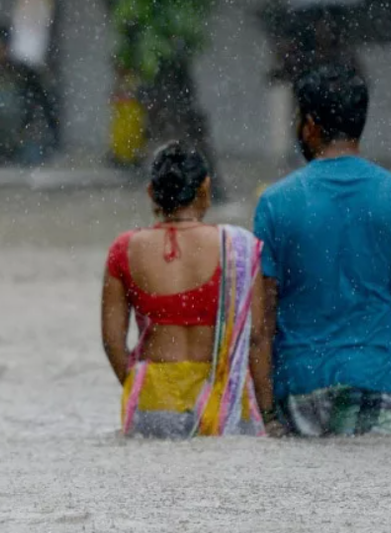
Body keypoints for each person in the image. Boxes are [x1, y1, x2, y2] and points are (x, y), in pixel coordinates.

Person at [254, 63, 391, 436]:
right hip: (377, 389)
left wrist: (268, 419)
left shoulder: (276, 203)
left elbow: (262, 326)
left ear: (309, 125)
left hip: (298, 393)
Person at [101, 142, 269, 438]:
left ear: (151, 192)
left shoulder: (125, 249)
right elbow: (256, 338)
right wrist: (268, 412)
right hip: (222, 399)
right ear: (205, 187)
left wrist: (137, 384)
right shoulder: (239, 247)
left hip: (154, 397)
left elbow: (113, 342)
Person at [0, 22, 60, 166]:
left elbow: (41, 105)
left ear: (7, 46)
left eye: (0, 45)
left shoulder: (23, 73)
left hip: (19, 139)